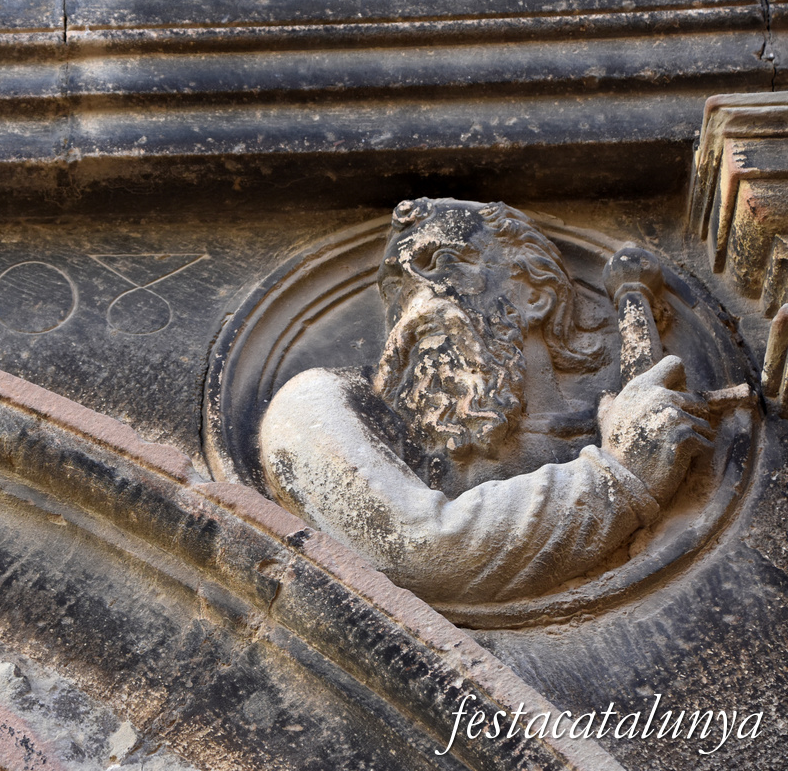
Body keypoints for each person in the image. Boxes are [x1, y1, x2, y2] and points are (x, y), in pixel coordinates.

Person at [259, 198, 713, 604]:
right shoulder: (323, 404)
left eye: (443, 261)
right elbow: (422, 549)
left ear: (534, 295)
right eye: (396, 286)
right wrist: (623, 476)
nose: (416, 293)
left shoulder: (602, 426)